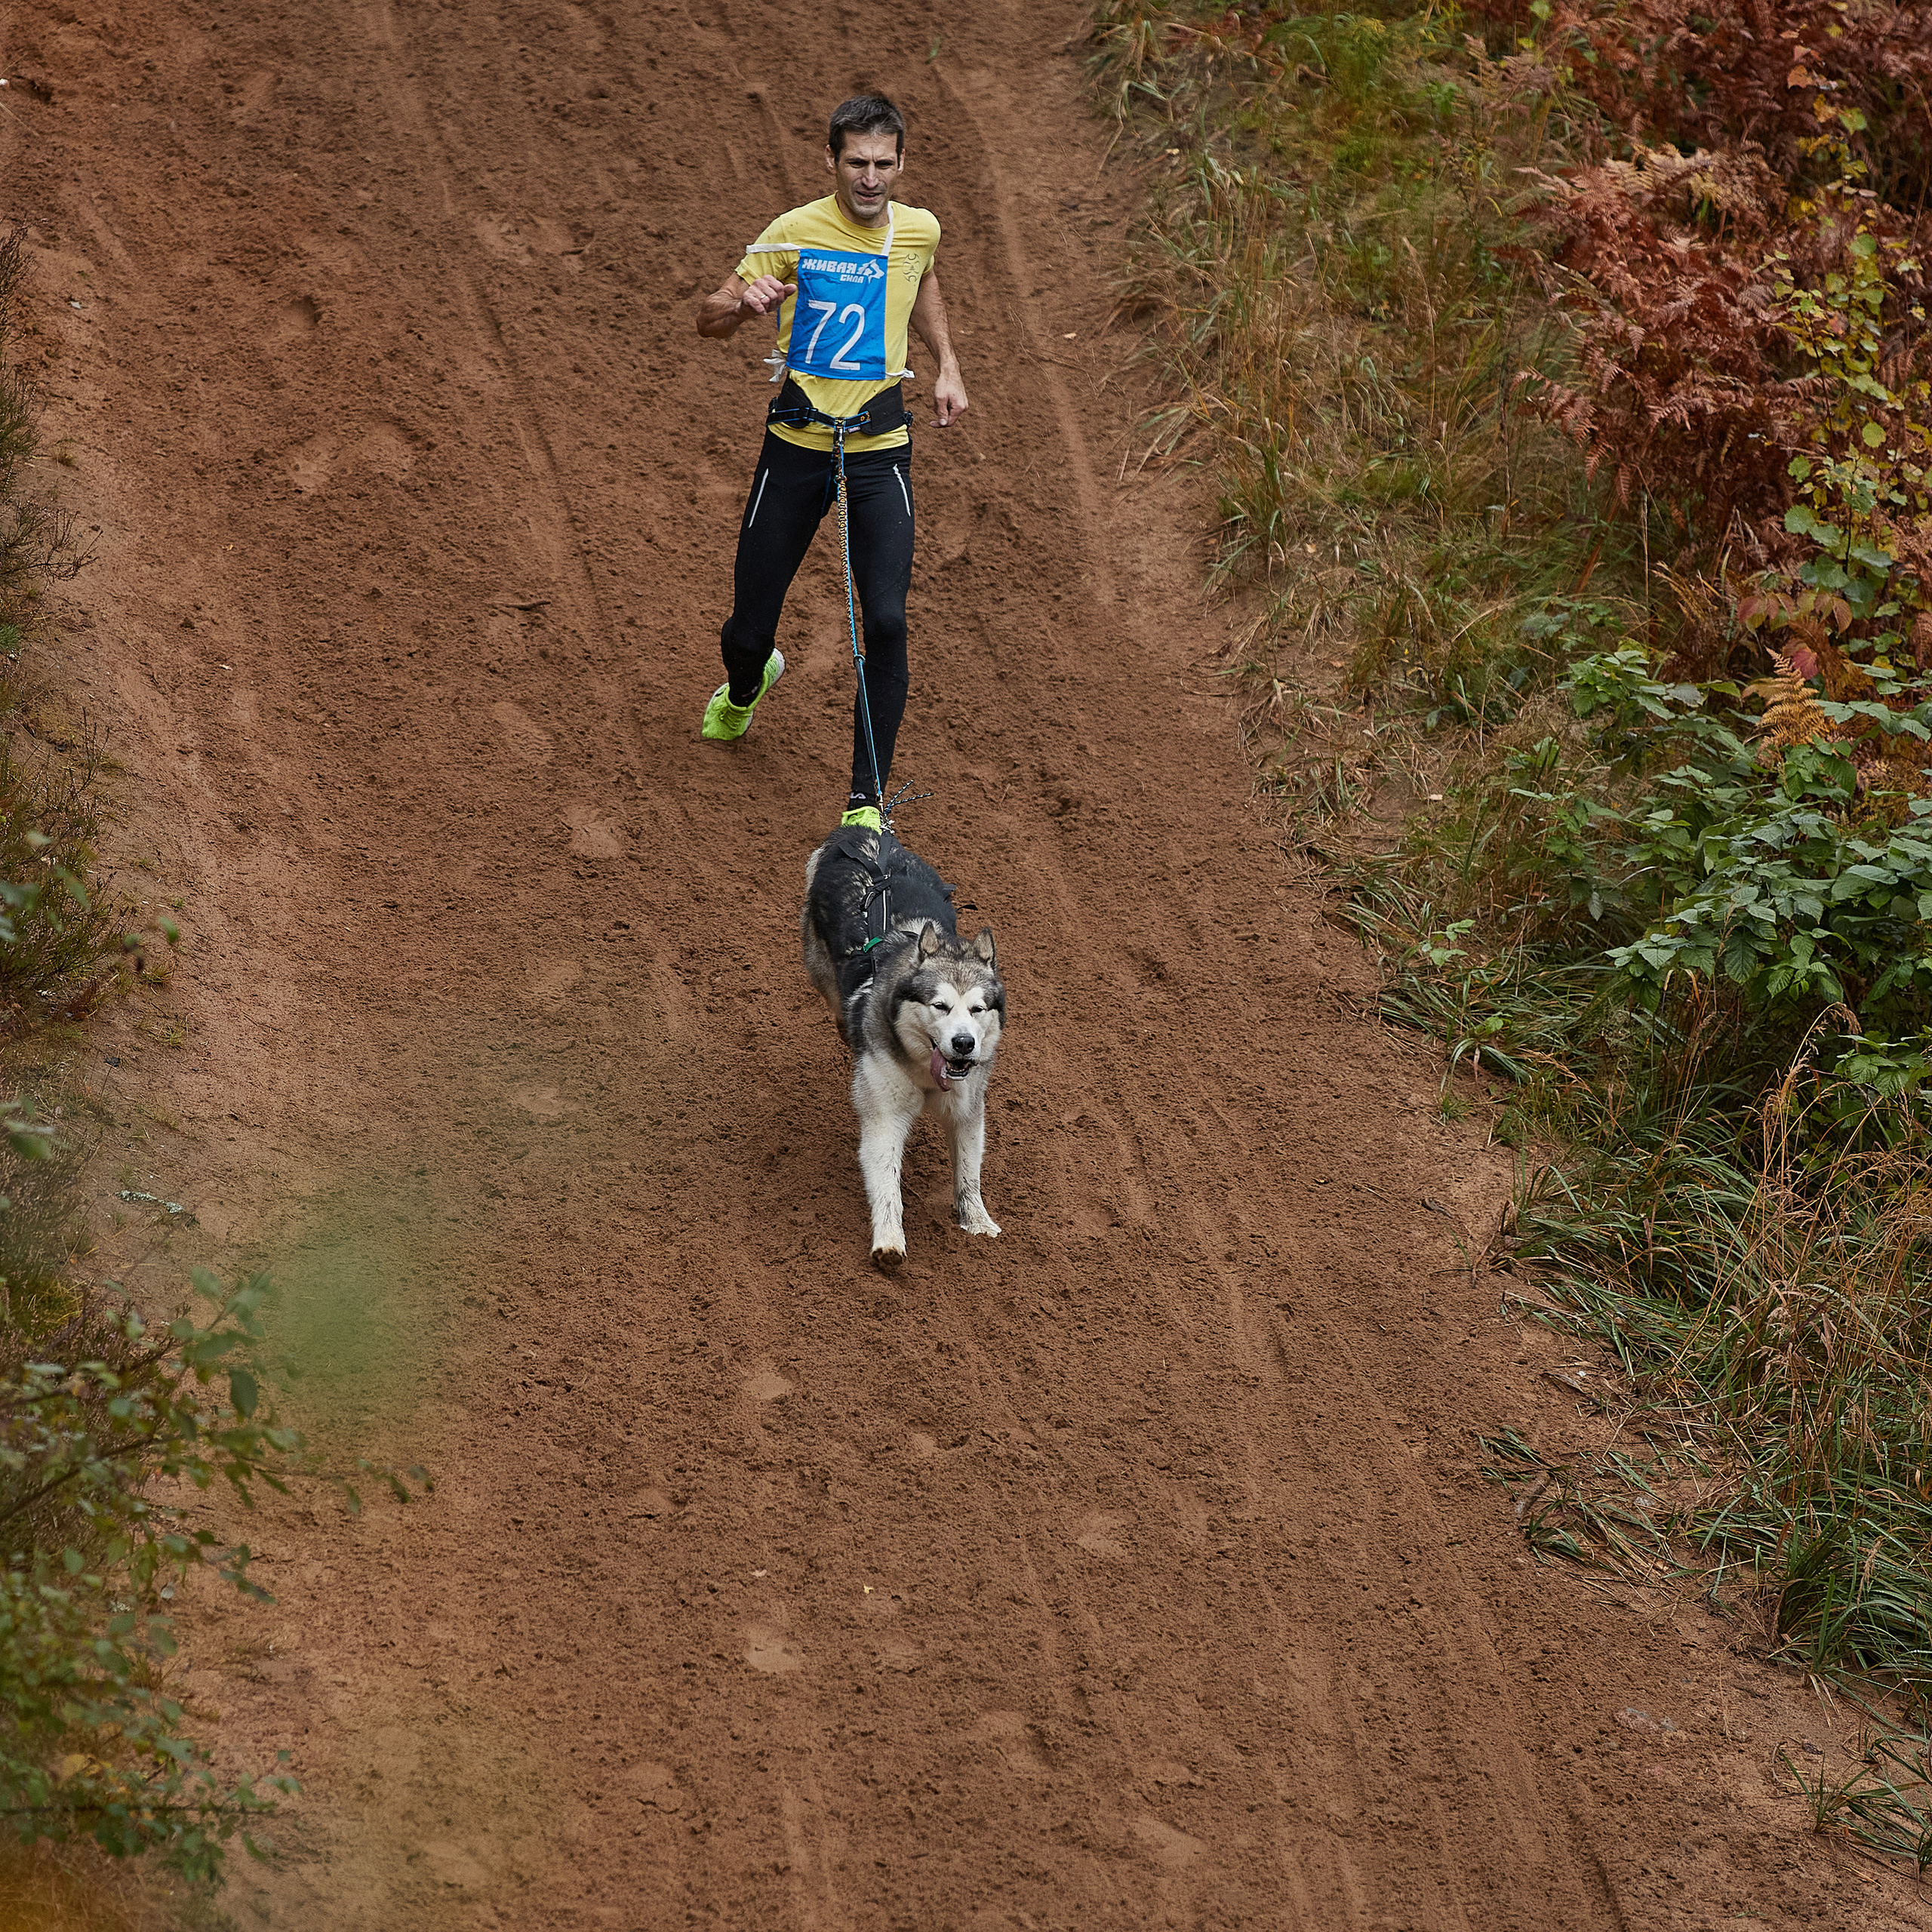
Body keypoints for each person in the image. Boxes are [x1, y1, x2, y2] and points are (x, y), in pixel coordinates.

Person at [694, 91, 968, 832]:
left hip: (881, 449)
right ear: (831, 162)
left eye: (884, 164)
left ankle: (865, 804)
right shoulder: (792, 231)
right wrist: (742, 306)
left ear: (901, 163)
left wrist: (947, 363)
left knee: (885, 619)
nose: (870, 178)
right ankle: (748, 685)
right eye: (856, 163)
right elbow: (706, 317)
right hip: (797, 443)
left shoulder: (918, 230)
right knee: (747, 629)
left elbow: (923, 278)